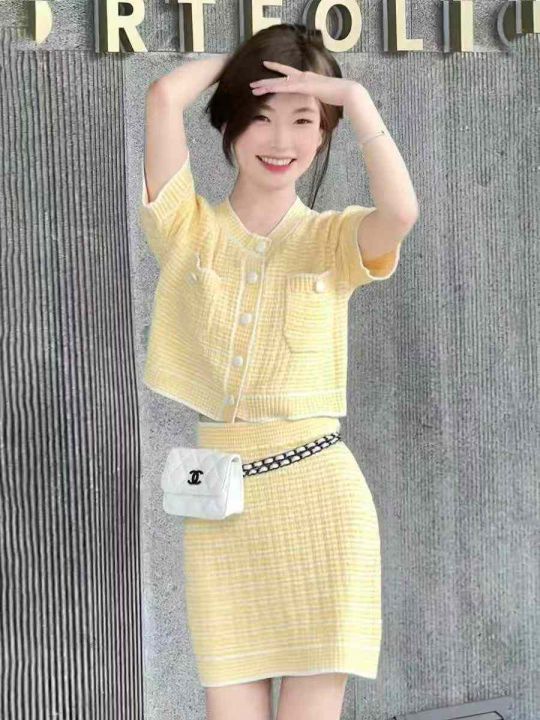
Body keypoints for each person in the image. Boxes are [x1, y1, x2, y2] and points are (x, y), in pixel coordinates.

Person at [140, 23, 418, 720]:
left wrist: (355, 98)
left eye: (303, 120)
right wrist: (245, 63)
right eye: (261, 116)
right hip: (221, 510)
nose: (280, 139)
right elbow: (164, 96)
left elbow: (401, 212)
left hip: (321, 502)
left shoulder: (333, 239)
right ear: (231, 122)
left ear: (323, 135)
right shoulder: (187, 229)